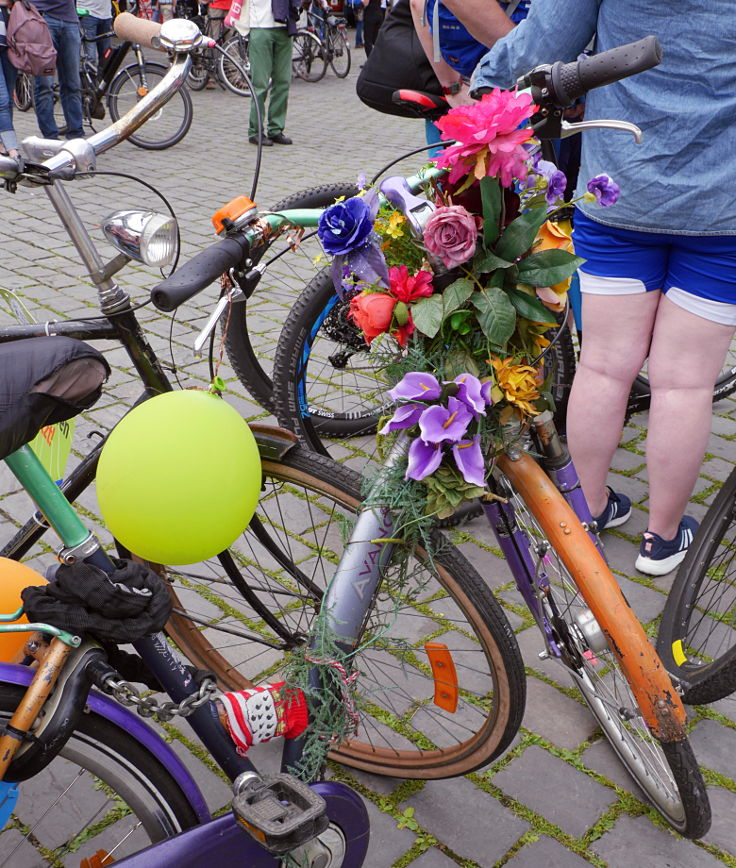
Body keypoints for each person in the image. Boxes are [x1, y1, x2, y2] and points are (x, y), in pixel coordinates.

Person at [471, 0, 736, 576]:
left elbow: (544, 39)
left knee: (604, 368)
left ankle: (585, 517)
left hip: (620, 191)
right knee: (685, 384)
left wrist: (483, 89)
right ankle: (662, 541)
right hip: (723, 209)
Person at [247, 0, 300, 146]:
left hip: (284, 25)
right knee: (260, 84)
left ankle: (276, 129)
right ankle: (255, 131)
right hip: (260, 25)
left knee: (283, 82)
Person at [33, 0, 84, 140]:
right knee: (44, 85)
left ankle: (76, 135)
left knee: (72, 84)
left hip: (70, 20)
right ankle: (50, 138)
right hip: (43, 19)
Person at [0, 0, 19, 158]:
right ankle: (12, 149)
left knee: (8, 100)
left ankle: (3, 142)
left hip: (10, 41)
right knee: (3, 100)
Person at [77, 0, 112, 71]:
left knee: (106, 57)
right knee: (91, 58)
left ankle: (102, 80)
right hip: (88, 13)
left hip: (106, 14)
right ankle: (89, 80)